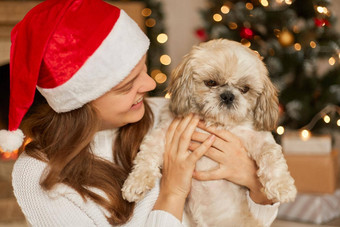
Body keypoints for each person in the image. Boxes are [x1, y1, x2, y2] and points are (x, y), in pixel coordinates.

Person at [0, 0, 279, 226]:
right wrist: (172, 191)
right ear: (80, 102)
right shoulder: (37, 177)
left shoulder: (165, 113)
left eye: (144, 69)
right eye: (127, 85)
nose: (150, 84)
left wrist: (254, 182)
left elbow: (251, 218)